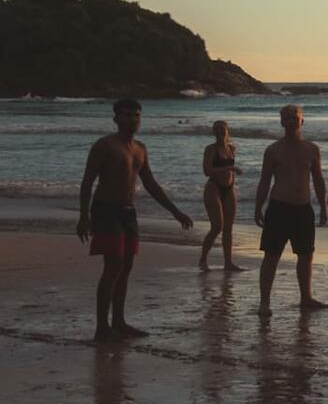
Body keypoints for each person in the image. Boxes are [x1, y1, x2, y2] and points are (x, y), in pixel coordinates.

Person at [76, 98, 193, 341]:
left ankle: (118, 322)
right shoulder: (105, 145)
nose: (132, 119)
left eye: (136, 115)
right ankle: (102, 327)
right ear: (116, 118)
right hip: (105, 209)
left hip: (129, 212)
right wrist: (83, 216)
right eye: (127, 115)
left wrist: (175, 211)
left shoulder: (140, 148)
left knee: (126, 267)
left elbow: (150, 183)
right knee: (113, 265)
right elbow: (88, 181)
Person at [254, 105, 328, 316]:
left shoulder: (312, 149)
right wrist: (258, 207)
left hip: (303, 208)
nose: (291, 121)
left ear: (302, 121)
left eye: (295, 117)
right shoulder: (273, 150)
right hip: (278, 207)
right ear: (281, 122)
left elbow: (319, 180)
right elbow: (264, 181)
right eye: (286, 118)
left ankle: (306, 297)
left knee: (306, 255)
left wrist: (323, 206)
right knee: (271, 255)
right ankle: (264, 302)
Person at [199, 120, 243, 272]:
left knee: (228, 228)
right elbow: (207, 171)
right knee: (217, 226)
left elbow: (231, 172)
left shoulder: (232, 148)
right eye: (216, 130)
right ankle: (203, 260)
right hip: (214, 188)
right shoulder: (210, 149)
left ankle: (228, 263)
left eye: (222, 130)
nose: (219, 133)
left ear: (227, 131)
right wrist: (229, 168)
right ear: (213, 133)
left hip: (229, 189)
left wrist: (231, 179)